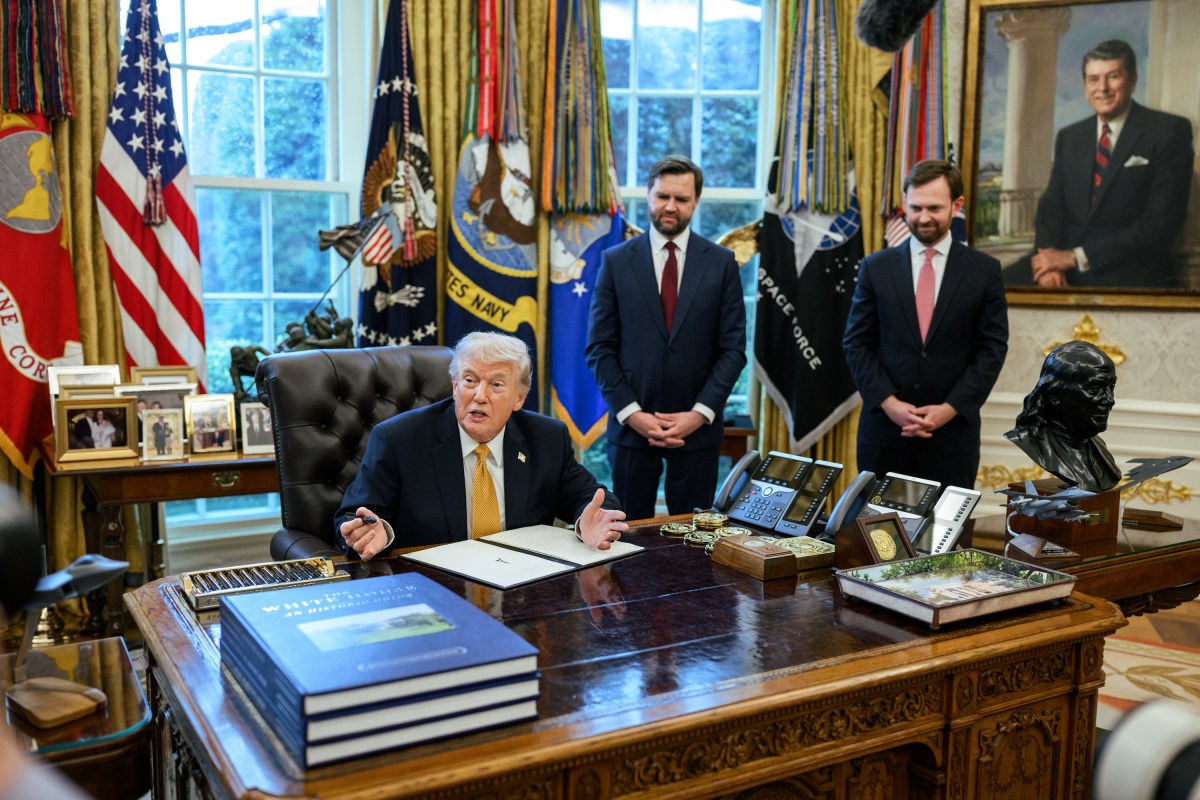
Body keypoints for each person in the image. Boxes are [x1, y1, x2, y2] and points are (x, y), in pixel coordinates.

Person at [336, 331, 627, 559]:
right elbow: (354, 516)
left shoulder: (546, 438)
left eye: (497, 385)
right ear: (454, 386)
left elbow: (593, 498)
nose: (479, 395)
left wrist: (588, 522)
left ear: (519, 398)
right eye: (470, 380)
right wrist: (373, 532)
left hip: (520, 589)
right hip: (435, 588)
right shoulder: (399, 439)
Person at [585, 154, 747, 520]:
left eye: (681, 198)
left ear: (695, 202)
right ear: (648, 195)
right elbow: (599, 348)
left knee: (693, 545)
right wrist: (634, 414)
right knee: (627, 540)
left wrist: (697, 414)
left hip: (698, 433)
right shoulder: (615, 261)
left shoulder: (721, 263)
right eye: (662, 196)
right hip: (631, 431)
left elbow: (733, 350)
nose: (670, 206)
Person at [842, 159, 1009, 489]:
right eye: (915, 208)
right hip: (884, 433)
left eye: (934, 208)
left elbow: (991, 349)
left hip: (951, 437)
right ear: (905, 203)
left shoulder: (984, 271)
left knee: (945, 538)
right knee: (878, 538)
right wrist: (890, 405)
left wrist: (949, 409)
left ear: (956, 205)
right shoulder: (876, 267)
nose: (923, 218)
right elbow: (856, 344)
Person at [1003, 39, 1194, 289]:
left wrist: (1076, 257)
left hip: (1128, 269)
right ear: (1085, 86)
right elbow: (1051, 210)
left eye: (1113, 76)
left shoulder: (1168, 131)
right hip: (1062, 263)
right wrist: (1048, 261)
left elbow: (1160, 223)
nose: (1102, 88)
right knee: (985, 289)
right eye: (1093, 79)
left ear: (1132, 80)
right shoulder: (1070, 137)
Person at [1004, 340, 1120, 492]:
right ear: (1055, 394)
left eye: (1111, 387)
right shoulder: (1031, 441)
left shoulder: (1099, 449)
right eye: (1094, 388)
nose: (1110, 400)